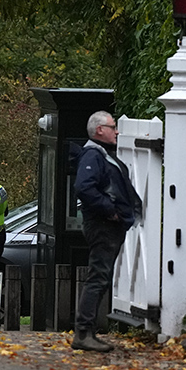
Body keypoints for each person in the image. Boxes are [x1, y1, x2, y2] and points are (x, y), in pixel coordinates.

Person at [72, 111, 142, 352]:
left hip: (107, 224)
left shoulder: (100, 155)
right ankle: (83, 332)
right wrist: (109, 210)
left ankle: (88, 332)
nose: (117, 131)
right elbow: (84, 187)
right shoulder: (93, 154)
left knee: (101, 278)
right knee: (98, 277)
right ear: (100, 130)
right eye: (113, 127)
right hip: (102, 225)